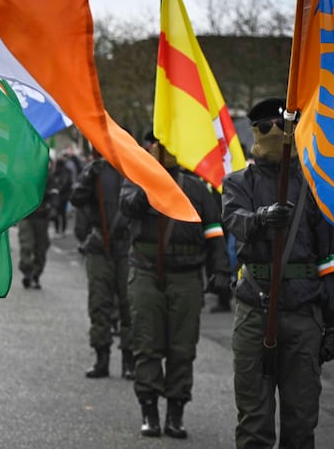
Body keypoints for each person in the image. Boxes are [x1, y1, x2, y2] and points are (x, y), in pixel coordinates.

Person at [223, 98, 334, 448]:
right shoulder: (238, 182)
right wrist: (261, 218)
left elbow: (328, 259)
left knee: (301, 419)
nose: (274, 132)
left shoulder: (313, 186)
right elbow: (234, 219)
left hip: (303, 312)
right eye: (265, 127)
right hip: (255, 311)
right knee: (254, 419)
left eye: (282, 126)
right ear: (254, 133)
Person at [121, 133, 228, 439]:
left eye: (166, 142)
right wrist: (151, 183)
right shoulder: (137, 178)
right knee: (146, 344)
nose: (161, 147)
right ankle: (149, 410)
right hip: (146, 272)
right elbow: (128, 207)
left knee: (182, 348)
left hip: (186, 276)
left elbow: (213, 229)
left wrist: (220, 269)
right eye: (156, 143)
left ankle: (176, 411)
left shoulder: (196, 188)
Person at [70, 153, 134, 380]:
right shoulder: (94, 170)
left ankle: (129, 360)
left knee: (129, 306)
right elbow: (76, 199)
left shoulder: (133, 167)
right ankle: (101, 357)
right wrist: (89, 178)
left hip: (127, 248)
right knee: (99, 303)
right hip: (100, 247)